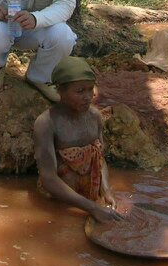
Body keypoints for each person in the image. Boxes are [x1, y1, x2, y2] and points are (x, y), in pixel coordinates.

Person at [33, 56, 123, 224]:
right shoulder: (46, 123)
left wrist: (106, 191)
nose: (88, 96)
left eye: (90, 89)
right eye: (80, 91)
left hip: (90, 198)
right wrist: (92, 208)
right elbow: (48, 179)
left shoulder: (94, 116)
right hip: (59, 199)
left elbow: (99, 159)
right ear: (60, 91)